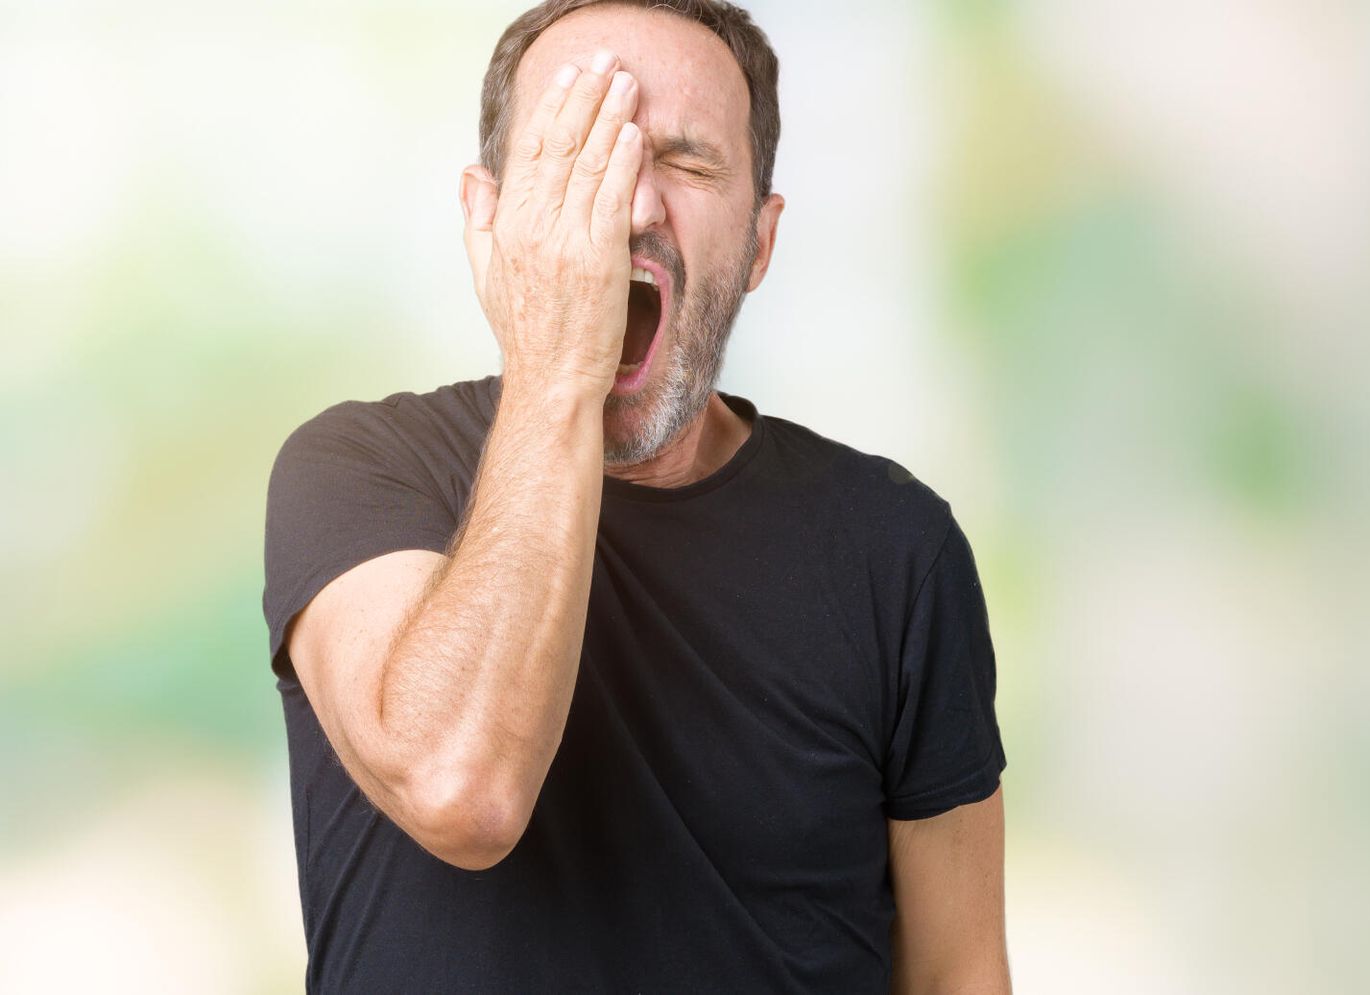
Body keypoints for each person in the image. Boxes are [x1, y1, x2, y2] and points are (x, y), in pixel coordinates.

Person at [258, 1, 1010, 990]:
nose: (631, 205)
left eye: (688, 164)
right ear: (489, 220)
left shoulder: (895, 547)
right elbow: (462, 786)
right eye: (576, 159)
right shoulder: (356, 469)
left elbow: (961, 971)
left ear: (758, 241)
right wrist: (559, 363)